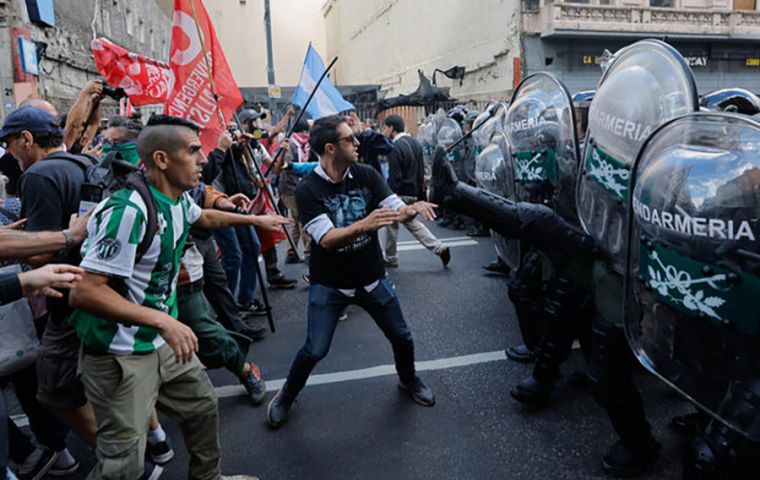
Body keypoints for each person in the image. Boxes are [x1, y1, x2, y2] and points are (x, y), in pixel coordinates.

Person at [68, 115, 287, 480]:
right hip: (119, 356)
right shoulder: (128, 211)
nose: (204, 159)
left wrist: (254, 221)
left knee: (202, 406)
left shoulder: (178, 200)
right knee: (123, 466)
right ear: (162, 160)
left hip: (163, 345)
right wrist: (163, 320)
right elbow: (85, 291)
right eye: (193, 150)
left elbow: (204, 218)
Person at [267, 115, 437, 428]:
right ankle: (287, 395)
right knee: (315, 349)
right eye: (350, 139)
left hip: (372, 279)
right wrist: (365, 223)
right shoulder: (308, 190)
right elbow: (327, 239)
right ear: (330, 148)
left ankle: (408, 380)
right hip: (330, 286)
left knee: (403, 337)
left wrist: (409, 209)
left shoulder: (366, 173)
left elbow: (394, 206)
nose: (357, 143)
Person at [380, 115, 450, 268]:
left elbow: (395, 176)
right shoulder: (415, 143)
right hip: (414, 192)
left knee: (391, 224)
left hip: (400, 194)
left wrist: (390, 195)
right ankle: (439, 247)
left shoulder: (395, 147)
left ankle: (391, 258)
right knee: (411, 224)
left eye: (384, 128)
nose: (383, 131)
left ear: (391, 128)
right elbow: (421, 170)